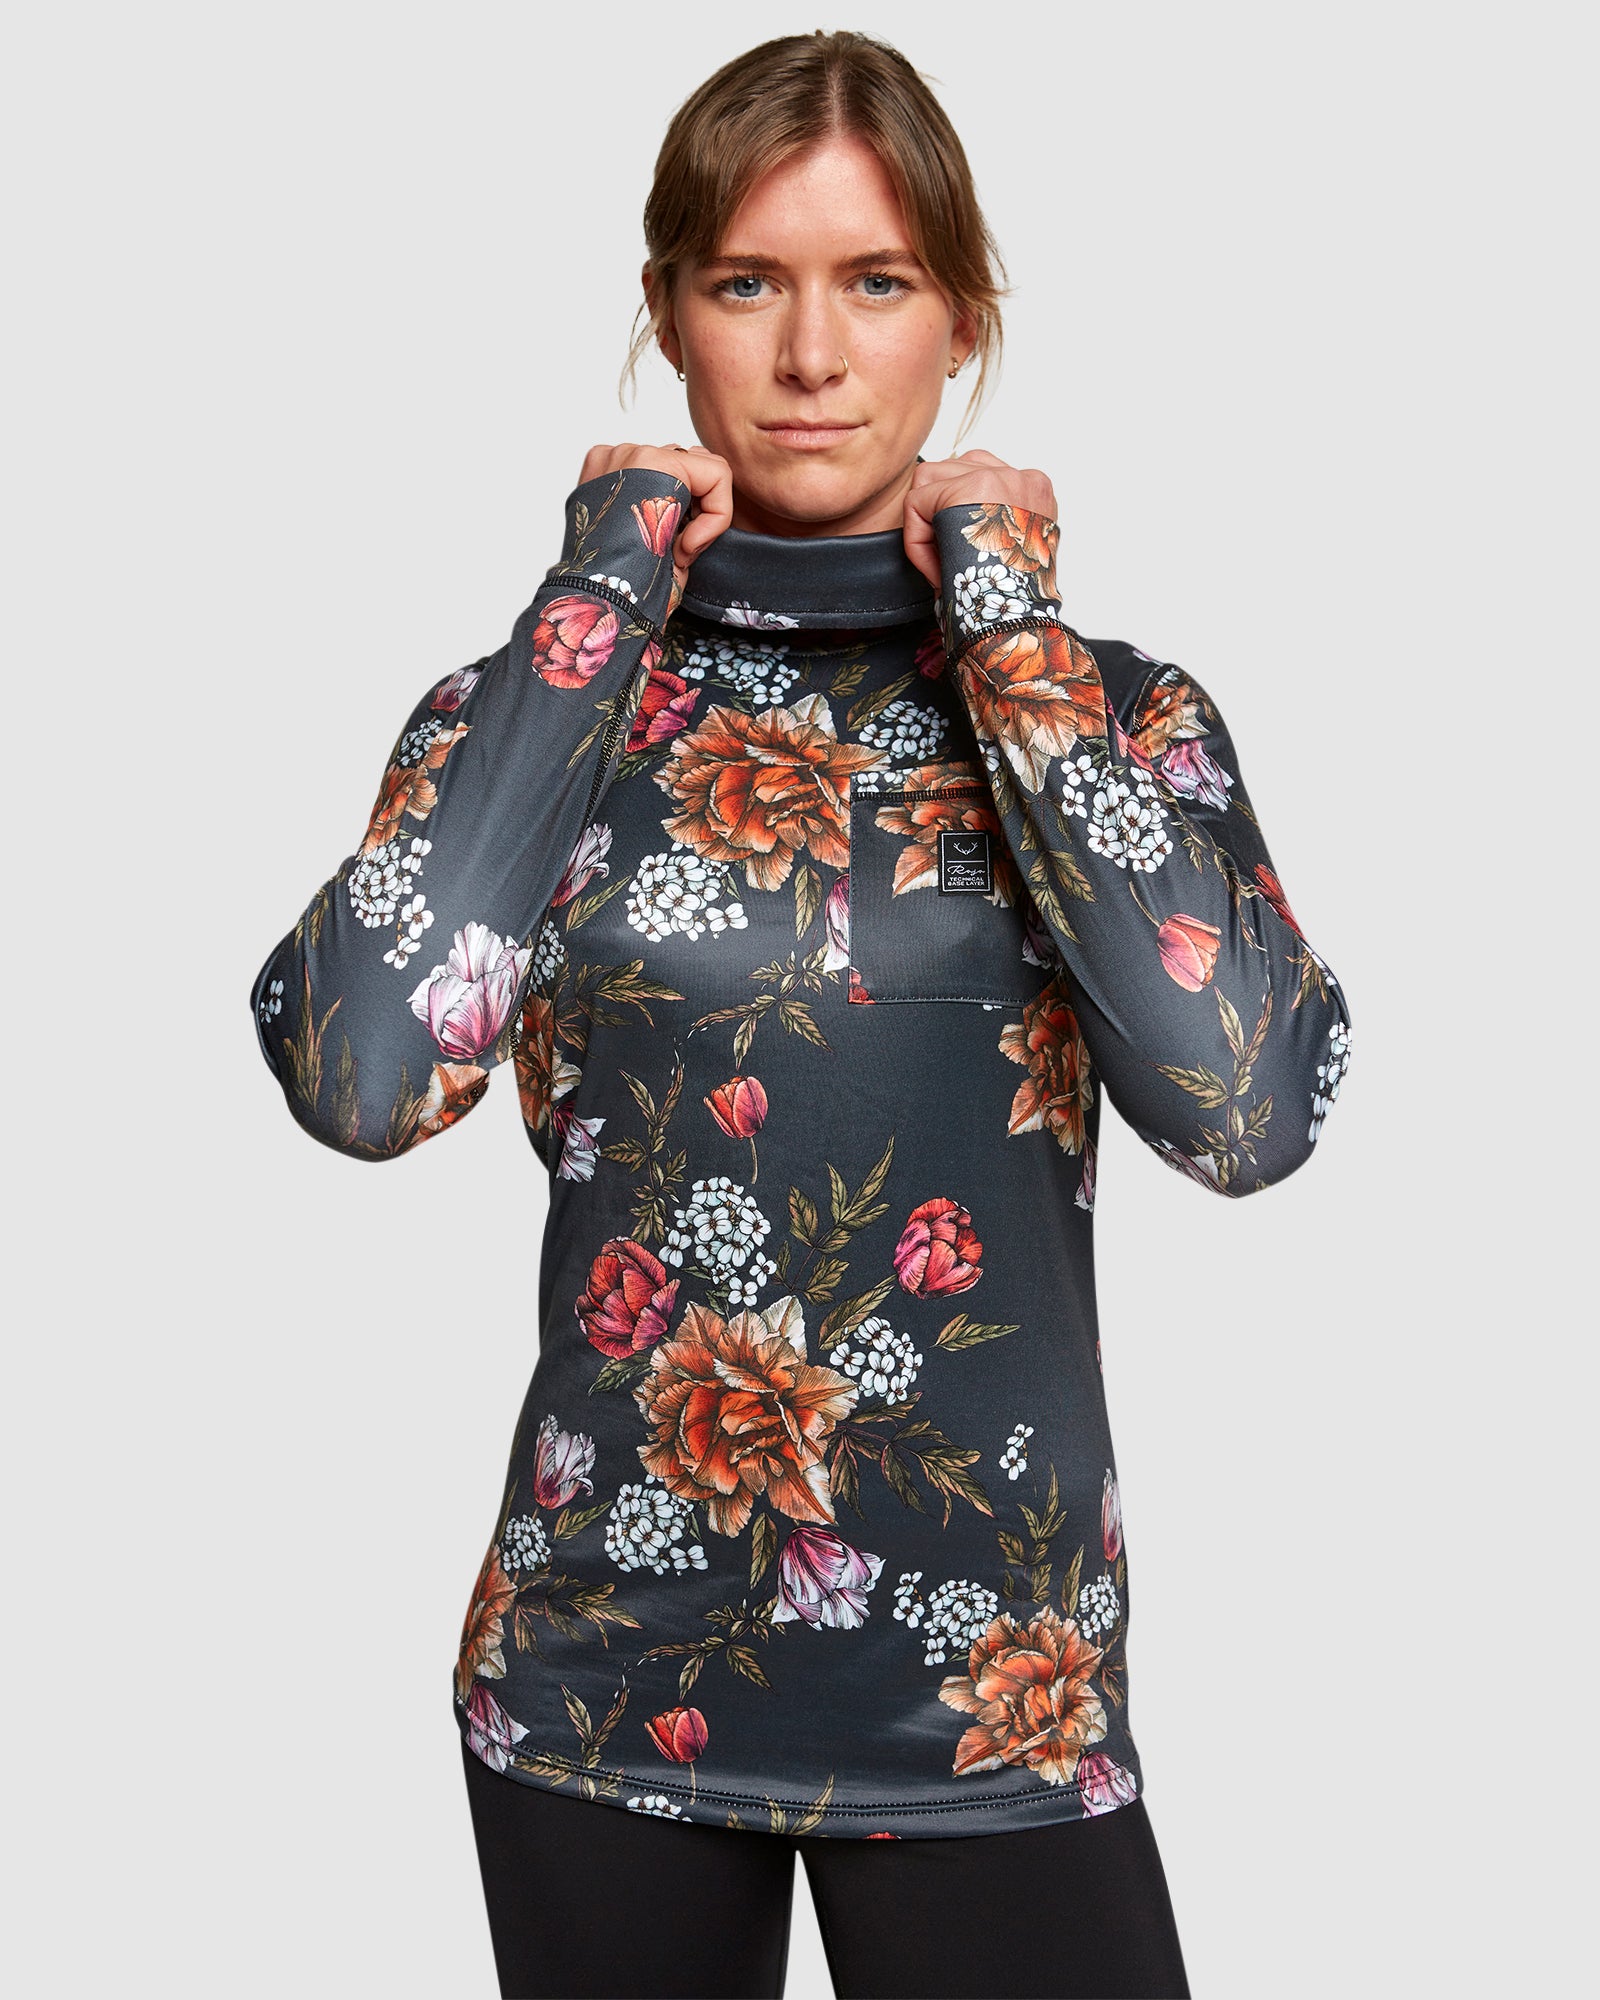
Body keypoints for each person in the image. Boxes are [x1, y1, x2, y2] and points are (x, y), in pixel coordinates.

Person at [248, 29, 1351, 2000]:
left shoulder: (1116, 714)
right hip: (602, 1680)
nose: (813, 354)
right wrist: (595, 601)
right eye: (748, 281)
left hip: (990, 1691)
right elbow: (361, 1072)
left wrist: (1007, 627)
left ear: (962, 320)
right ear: (668, 313)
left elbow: (1246, 1107)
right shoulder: (537, 708)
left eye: (879, 282)